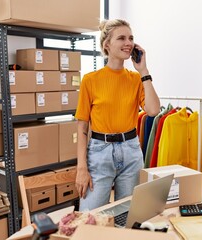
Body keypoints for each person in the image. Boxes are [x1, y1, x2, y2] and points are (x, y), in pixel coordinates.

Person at [75, 19, 161, 211]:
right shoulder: (90, 80)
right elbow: (82, 128)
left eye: (131, 38)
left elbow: (153, 110)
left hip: (131, 151)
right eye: (121, 38)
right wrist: (82, 168)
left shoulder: (135, 79)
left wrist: (144, 71)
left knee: (127, 215)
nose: (128, 43)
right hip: (99, 152)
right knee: (90, 217)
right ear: (107, 45)